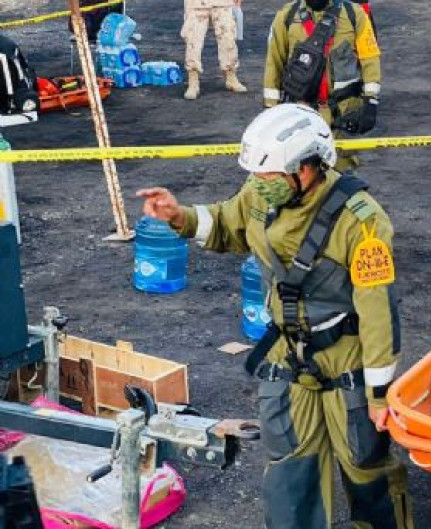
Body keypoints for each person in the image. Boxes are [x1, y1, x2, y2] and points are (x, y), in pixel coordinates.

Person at [136, 104, 412, 529]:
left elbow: (379, 314)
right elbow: (226, 223)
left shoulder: (361, 222)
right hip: (288, 354)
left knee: (366, 467)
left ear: (308, 167)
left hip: (347, 357)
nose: (259, 184)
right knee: (290, 471)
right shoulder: (259, 195)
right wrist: (179, 216)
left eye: (269, 176)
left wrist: (379, 395)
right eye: (257, 176)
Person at [263, 0, 381, 170]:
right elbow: (274, 63)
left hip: (342, 115)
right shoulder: (286, 16)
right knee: (303, 173)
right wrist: (271, 110)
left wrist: (371, 101)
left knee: (341, 173)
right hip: (302, 116)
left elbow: (370, 59)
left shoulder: (354, 15)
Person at [181, 0, 247, 100]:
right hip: (197, 3)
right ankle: (193, 81)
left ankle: (231, 76)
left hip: (223, 3)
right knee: (193, 41)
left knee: (228, 38)